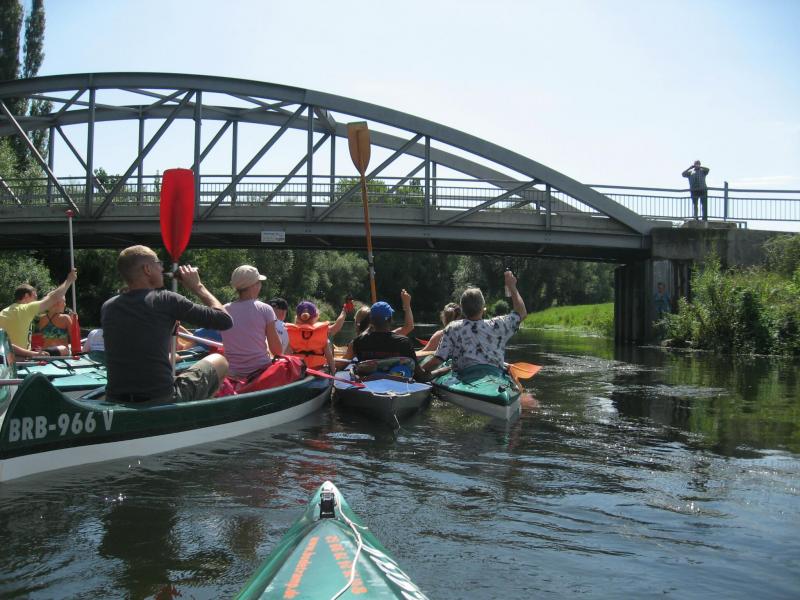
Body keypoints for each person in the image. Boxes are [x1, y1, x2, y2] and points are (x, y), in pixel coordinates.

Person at [101, 245, 233, 403]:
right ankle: (198, 412)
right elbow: (224, 321)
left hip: (115, 397)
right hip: (160, 398)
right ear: (147, 269)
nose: (162, 268)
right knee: (219, 360)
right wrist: (197, 286)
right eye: (158, 263)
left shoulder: (109, 306)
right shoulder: (166, 299)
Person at [422, 270, 527, 375]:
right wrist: (512, 287)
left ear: (462, 309)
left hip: (465, 376)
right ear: (482, 308)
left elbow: (437, 361)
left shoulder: (452, 328)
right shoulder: (498, 325)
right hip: (495, 375)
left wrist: (419, 371)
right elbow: (522, 313)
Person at [220, 265, 283, 379]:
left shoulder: (223, 309)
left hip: (232, 374)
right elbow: (277, 351)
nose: (260, 285)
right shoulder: (265, 309)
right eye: (259, 282)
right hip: (260, 373)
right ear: (254, 285)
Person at [0, 269, 77, 358]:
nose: (36, 300)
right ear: (26, 296)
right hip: (18, 361)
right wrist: (69, 280)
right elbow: (53, 298)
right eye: (35, 297)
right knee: (63, 349)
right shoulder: (27, 309)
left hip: (3, 360)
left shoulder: (3, 312)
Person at [352, 301, 417, 364]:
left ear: (371, 320)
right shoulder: (404, 342)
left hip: (368, 371)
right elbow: (416, 370)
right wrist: (407, 305)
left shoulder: (358, 342)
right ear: (390, 319)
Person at [286, 301, 336, 372]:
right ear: (316, 316)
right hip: (317, 372)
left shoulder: (294, 333)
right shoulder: (321, 334)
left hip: (299, 372)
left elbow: (286, 356)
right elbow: (329, 357)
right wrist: (333, 373)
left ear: (297, 317)